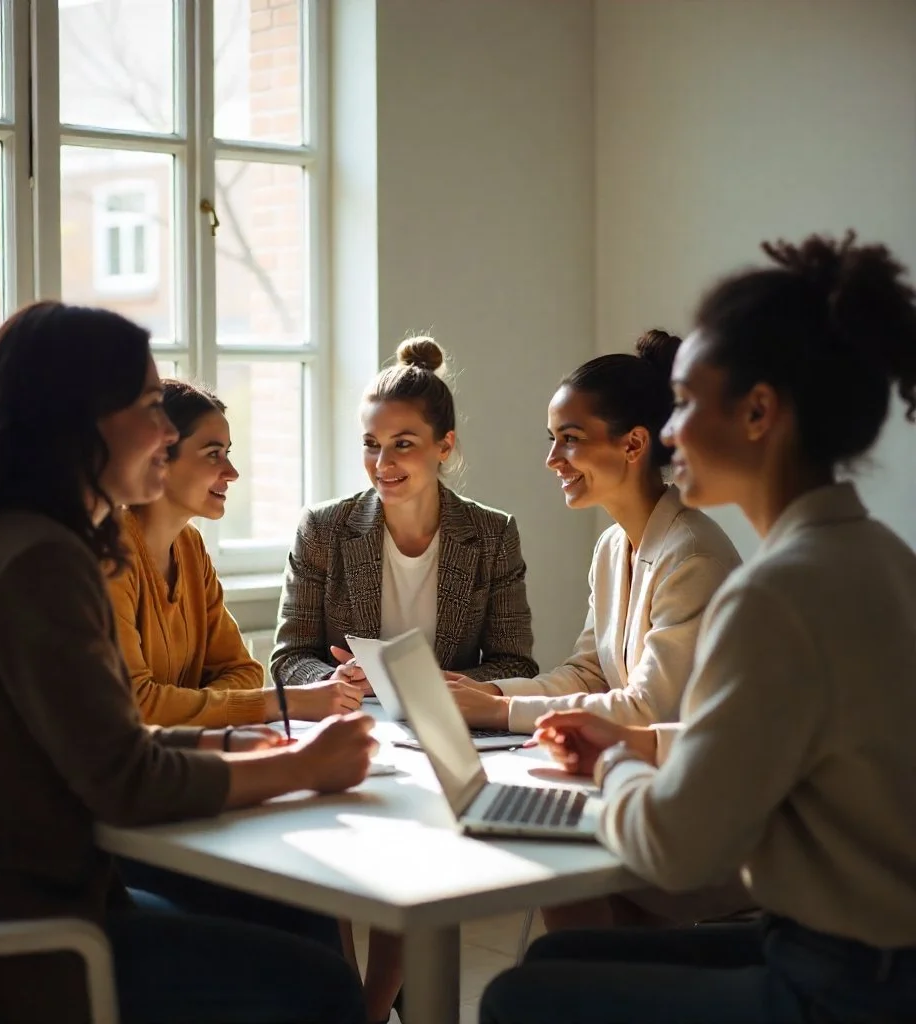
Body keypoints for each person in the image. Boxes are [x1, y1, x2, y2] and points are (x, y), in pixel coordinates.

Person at [0, 301, 375, 1024]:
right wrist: (306, 767)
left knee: (294, 913)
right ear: (81, 420)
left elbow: (103, 741)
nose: (166, 431)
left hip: (47, 893)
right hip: (3, 937)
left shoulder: (36, 542)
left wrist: (219, 739)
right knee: (324, 989)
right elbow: (125, 781)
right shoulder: (40, 561)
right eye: (151, 406)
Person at [481, 231, 916, 1024]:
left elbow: (676, 847)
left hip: (845, 984)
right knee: (560, 957)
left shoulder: (776, 593)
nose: (670, 431)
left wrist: (611, 771)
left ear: (757, 413)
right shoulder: (883, 558)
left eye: (685, 401)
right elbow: (787, 736)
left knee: (519, 997)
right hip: (871, 956)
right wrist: (636, 745)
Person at [271, 336, 537, 1023]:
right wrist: (341, 678)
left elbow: (517, 665)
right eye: (371, 445)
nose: (382, 464)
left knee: (420, 861)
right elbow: (288, 656)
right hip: (356, 731)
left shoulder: (492, 535)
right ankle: (352, 1000)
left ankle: (366, 1007)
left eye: (403, 445)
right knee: (336, 860)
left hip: (443, 741)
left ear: (445, 446)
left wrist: (451, 685)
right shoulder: (324, 531)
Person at [450, 330, 744, 930]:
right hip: (637, 789)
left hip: (699, 823)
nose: (552, 460)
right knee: (548, 867)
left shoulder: (694, 557)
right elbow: (588, 671)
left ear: (634, 444)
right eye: (552, 440)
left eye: (570, 440)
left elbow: (648, 706)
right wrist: (488, 696)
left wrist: (495, 714)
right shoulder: (614, 546)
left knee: (550, 864)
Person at [109, 379, 367, 729]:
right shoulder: (109, 557)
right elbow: (136, 704)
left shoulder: (190, 547)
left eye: (227, 453)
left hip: (182, 755)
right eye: (213, 454)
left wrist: (193, 706)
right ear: (160, 457)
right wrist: (284, 701)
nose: (232, 473)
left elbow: (244, 671)